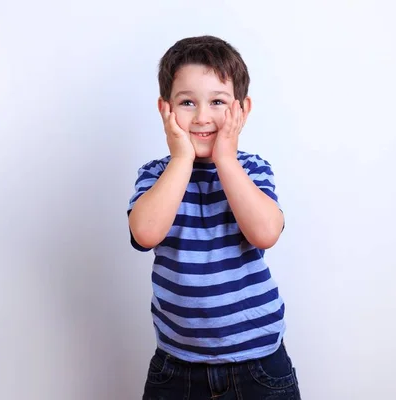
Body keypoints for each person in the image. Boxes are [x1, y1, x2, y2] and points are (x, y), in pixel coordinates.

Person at [127, 35, 302, 399]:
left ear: (242, 109)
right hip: (176, 366)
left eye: (217, 102)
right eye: (187, 102)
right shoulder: (155, 176)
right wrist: (181, 160)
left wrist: (225, 158)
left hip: (258, 365)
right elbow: (145, 233)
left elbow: (266, 233)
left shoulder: (252, 170)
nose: (203, 116)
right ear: (166, 110)